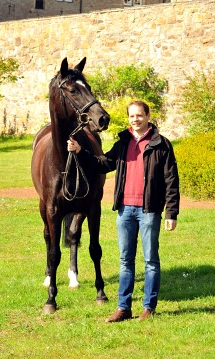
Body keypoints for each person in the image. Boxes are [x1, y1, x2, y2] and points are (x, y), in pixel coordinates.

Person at [67, 100, 179, 322]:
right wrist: (80, 151)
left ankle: (148, 307)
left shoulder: (162, 144)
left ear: (148, 116)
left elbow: (171, 180)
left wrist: (171, 213)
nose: (135, 119)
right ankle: (123, 308)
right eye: (131, 116)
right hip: (125, 210)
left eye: (139, 115)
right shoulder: (123, 142)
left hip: (149, 210)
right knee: (125, 260)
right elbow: (103, 163)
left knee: (150, 261)